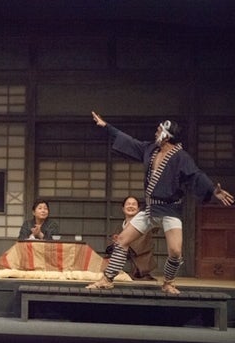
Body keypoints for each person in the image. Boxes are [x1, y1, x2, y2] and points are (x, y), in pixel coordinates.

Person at [88, 111, 234, 294]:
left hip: (169, 209)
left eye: (159, 131)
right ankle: (107, 279)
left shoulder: (181, 157)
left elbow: (196, 175)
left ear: (166, 135)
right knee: (122, 241)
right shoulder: (150, 150)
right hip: (150, 208)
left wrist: (213, 190)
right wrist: (107, 127)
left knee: (175, 251)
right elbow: (129, 141)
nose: (155, 133)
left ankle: (168, 282)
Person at [108, 196, 157, 281]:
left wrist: (121, 243)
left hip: (139, 263)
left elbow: (138, 246)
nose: (131, 206)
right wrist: (114, 244)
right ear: (123, 209)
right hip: (122, 261)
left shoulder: (144, 225)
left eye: (134, 204)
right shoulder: (119, 227)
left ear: (138, 209)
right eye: (128, 204)